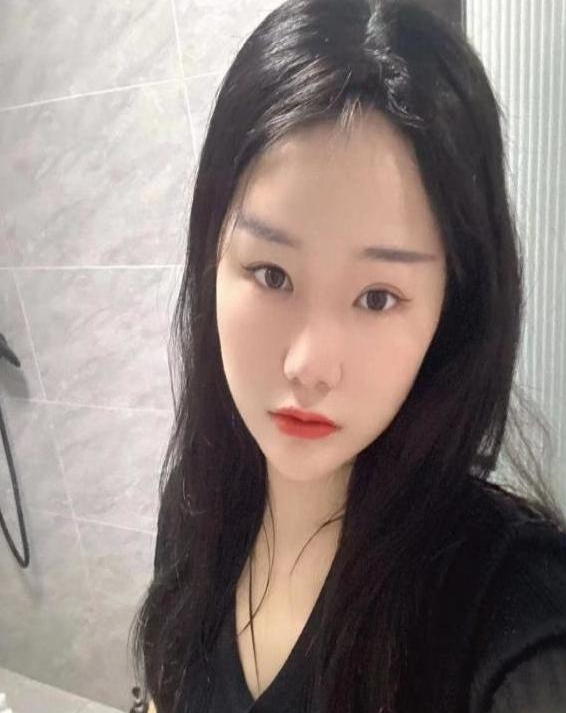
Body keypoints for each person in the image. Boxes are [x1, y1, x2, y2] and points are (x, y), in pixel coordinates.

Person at [129, 1, 566, 712]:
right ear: (212, 258)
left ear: (451, 308)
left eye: (377, 297)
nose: (308, 365)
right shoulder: (195, 504)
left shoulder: (507, 604)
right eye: (272, 275)